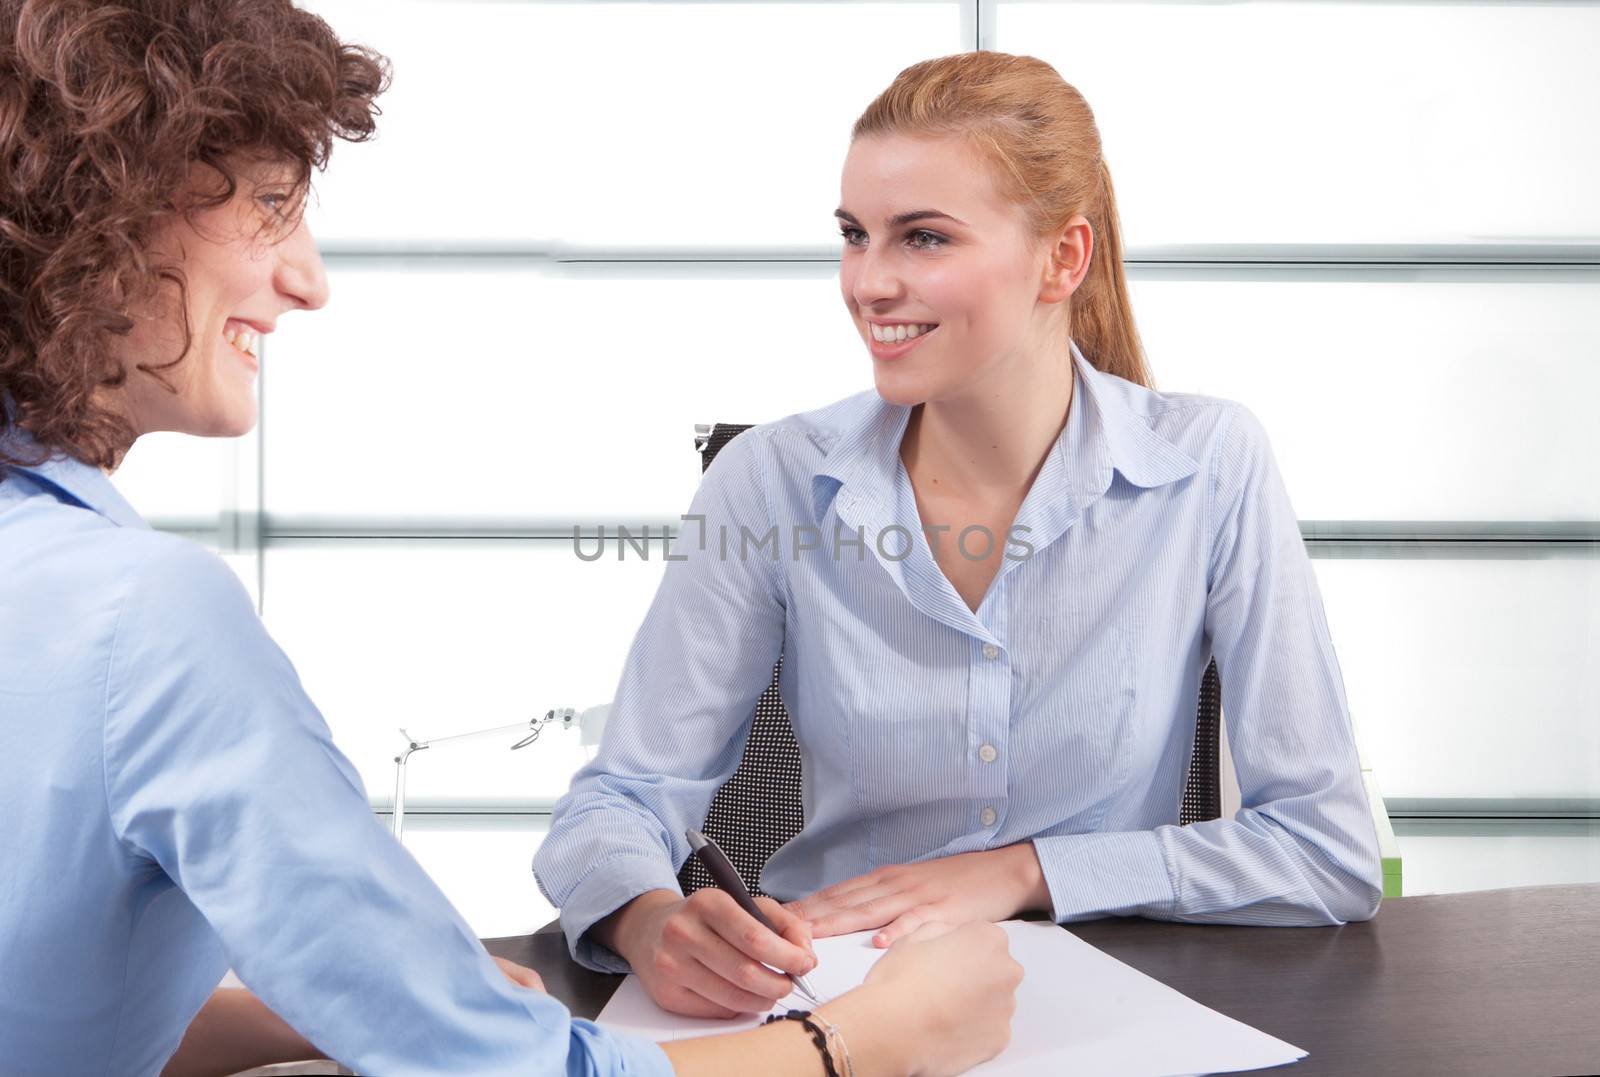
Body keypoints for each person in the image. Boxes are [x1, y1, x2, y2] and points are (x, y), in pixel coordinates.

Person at [0, 5, 1022, 1075]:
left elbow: (41, 1002)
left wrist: (302, 1016)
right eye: (267, 206)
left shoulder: (1212, 470)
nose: (308, 280)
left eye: (926, 236)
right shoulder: (143, 620)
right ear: (91, 212)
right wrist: (859, 1041)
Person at [535, 50, 1385, 1018]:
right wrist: (647, 920)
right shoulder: (770, 481)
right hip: (831, 993)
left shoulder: (1207, 466)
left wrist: (1025, 872)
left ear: (1063, 257)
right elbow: (617, 801)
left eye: (923, 239)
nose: (868, 282)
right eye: (855, 235)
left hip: (1107, 1009)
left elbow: (1324, 852)